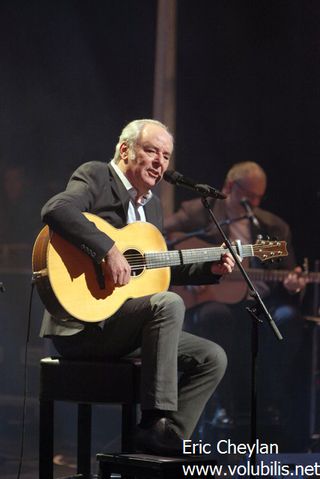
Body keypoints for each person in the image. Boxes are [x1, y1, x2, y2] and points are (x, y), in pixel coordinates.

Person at [39, 119, 236, 456]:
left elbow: (151, 270)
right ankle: (155, 420)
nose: (160, 162)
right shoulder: (97, 176)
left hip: (122, 322)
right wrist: (107, 249)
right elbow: (56, 209)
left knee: (212, 357)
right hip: (82, 325)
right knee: (169, 303)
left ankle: (160, 437)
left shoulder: (153, 207)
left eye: (166, 155)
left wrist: (210, 268)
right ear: (125, 149)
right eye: (152, 151)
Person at [164, 161, 308, 449]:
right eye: (249, 195)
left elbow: (288, 271)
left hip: (261, 298)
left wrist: (294, 284)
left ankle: (269, 403)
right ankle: (222, 405)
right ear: (230, 187)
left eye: (259, 197)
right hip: (213, 298)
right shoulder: (198, 212)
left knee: (288, 318)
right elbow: (159, 236)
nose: (253, 202)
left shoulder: (272, 226)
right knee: (214, 316)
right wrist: (192, 273)